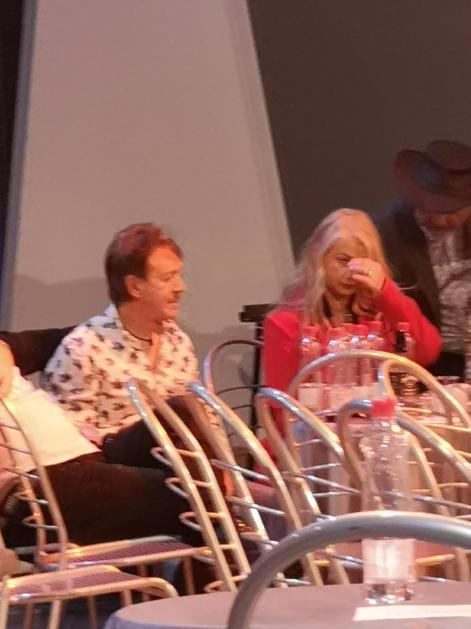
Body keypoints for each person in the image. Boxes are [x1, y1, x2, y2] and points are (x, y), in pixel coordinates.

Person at [42, 223, 224, 467]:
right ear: (135, 287)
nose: (180, 287)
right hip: (117, 469)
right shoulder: (83, 347)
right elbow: (69, 442)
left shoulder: (177, 341)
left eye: (178, 276)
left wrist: (227, 468)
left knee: (193, 413)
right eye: (167, 278)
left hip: (179, 467)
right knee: (181, 410)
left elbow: (206, 420)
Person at [0, 349, 199, 552]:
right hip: (38, 489)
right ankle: (211, 538)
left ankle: (209, 536)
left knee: (182, 409)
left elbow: (30, 342)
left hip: (93, 453)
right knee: (191, 496)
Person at [263, 208, 442, 403]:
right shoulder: (285, 322)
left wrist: (386, 292)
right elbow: (281, 405)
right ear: (318, 257)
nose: (352, 272)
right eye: (343, 260)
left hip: (378, 417)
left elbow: (428, 351)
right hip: (314, 421)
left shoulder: (379, 314)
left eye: (362, 263)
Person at [373, 140, 471, 377]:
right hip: (428, 362)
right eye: (430, 210)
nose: (440, 221)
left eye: (452, 211)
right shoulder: (386, 232)